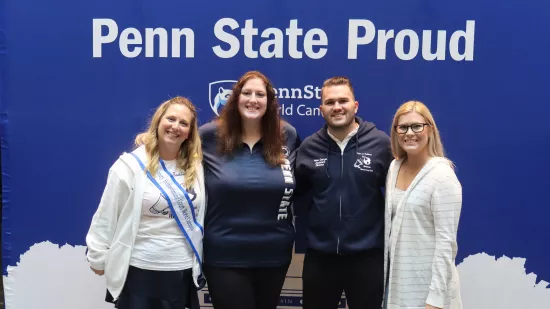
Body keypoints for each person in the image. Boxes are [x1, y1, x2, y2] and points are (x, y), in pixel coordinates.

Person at [85, 96, 206, 309]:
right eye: (171, 119)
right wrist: (97, 256)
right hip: (140, 270)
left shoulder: (196, 169)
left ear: (190, 132)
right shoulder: (129, 166)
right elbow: (106, 215)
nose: (175, 127)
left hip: (182, 270)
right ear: (158, 122)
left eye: (183, 123)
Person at [198, 70, 300, 309]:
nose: (253, 99)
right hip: (225, 254)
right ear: (235, 98)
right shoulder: (209, 136)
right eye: (247, 93)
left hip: (274, 254)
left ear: (269, 101)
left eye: (260, 94)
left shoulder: (287, 136)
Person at [295, 76, 392, 309]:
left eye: (343, 101)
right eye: (330, 102)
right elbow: (294, 192)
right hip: (321, 257)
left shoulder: (380, 143)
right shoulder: (309, 147)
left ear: (355, 106)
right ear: (321, 109)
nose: (337, 107)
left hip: (367, 257)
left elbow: (400, 190)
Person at [383, 100, 463, 309]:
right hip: (399, 287)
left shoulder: (442, 176)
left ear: (430, 129)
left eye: (417, 126)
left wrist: (434, 301)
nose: (410, 133)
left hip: (430, 291)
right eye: (403, 127)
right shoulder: (394, 168)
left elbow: (446, 243)